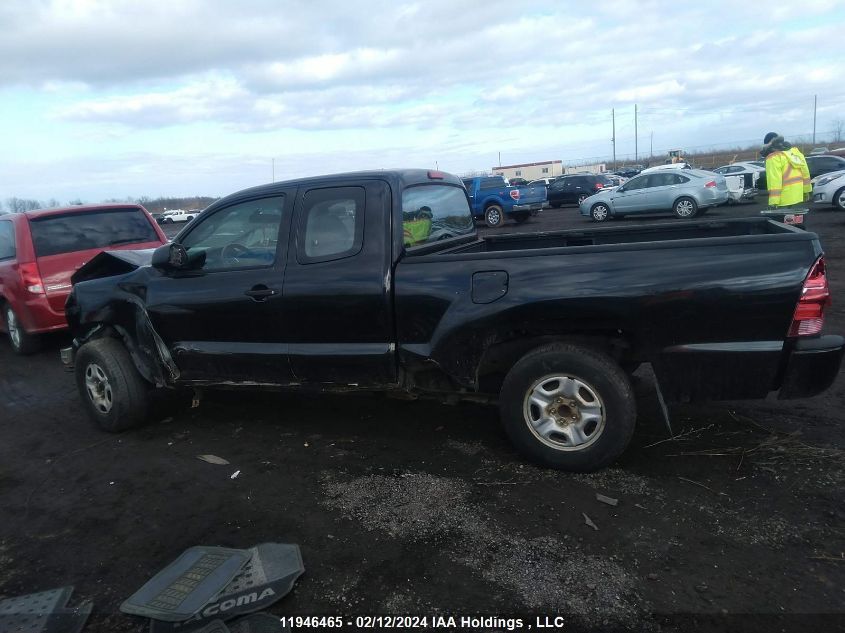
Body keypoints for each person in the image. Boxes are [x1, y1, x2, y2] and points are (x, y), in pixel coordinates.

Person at [760, 132, 811, 208]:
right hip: (799, 196)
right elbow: (805, 172)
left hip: (784, 200)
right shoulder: (795, 152)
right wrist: (807, 191)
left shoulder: (773, 157)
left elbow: (774, 180)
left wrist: (773, 202)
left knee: (783, 219)